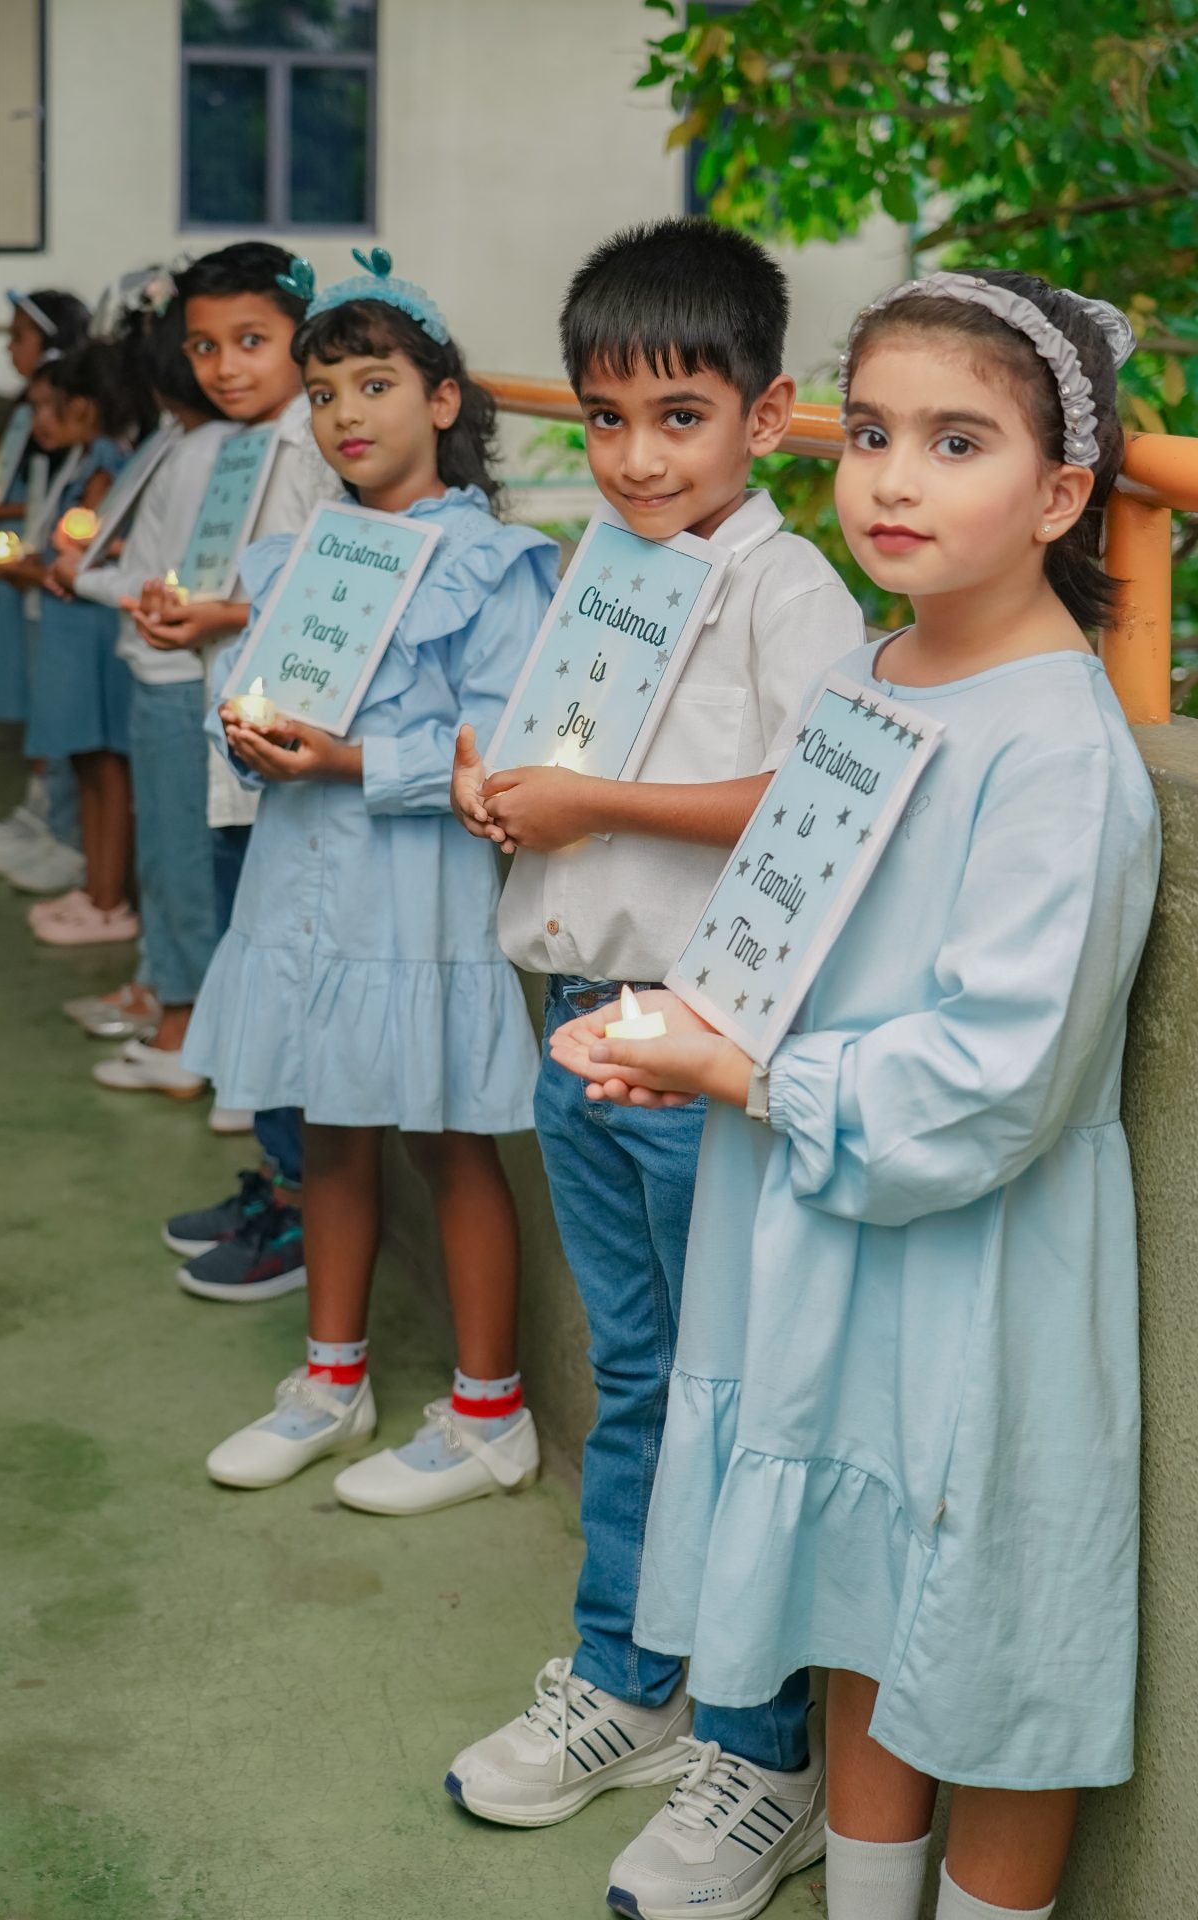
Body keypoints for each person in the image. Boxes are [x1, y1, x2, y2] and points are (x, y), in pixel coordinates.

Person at [549, 270, 1158, 1920]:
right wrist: (672, 1019)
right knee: (855, 1599)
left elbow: (995, 1080)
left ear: (1059, 495)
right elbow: (781, 927)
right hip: (821, 1233)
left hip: (973, 1276)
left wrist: (741, 1068)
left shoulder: (1061, 752)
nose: (890, 478)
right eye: (871, 432)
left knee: (988, 1644)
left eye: (955, 443)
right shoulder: (864, 678)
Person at [446, 217, 865, 1911]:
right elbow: (569, 760)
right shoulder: (602, 572)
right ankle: (629, 1680)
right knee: (636, 1380)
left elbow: (823, 805)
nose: (634, 455)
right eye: (606, 418)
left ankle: (764, 1757)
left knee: (731, 1406)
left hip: (705, 1059)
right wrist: (504, 794)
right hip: (583, 1033)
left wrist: (595, 805)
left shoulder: (790, 586)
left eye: (678, 416)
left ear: (766, 416)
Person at [183, 251, 559, 1515]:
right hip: (303, 887)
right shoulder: (298, 559)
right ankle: (329, 1380)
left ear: (443, 401)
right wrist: (246, 734)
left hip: (419, 895)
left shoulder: (498, 565)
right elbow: (258, 698)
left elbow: (493, 754)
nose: (345, 413)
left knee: (449, 1140)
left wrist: (350, 761)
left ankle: (490, 1412)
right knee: (330, 1125)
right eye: (325, 390)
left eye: (376, 383)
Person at [132, 242, 338, 1263]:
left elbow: (320, 589)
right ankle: (276, 1177)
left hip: (288, 763)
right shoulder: (245, 441)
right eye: (204, 346)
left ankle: (301, 1207)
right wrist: (190, 604)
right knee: (250, 974)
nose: (224, 366)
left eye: (251, 341)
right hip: (240, 744)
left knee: (278, 982)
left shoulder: (310, 440)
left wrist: (214, 612)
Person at [50, 296, 236, 1096]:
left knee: (180, 859)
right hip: (157, 661)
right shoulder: (185, 443)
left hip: (174, 670)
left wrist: (85, 574)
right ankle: (165, 994)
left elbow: (176, 576)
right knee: (166, 857)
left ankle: (184, 1024)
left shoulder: (209, 450)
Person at [0, 339, 154, 946]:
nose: (43, 421)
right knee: (85, 760)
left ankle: (109, 900)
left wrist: (21, 569)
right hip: (68, 632)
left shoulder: (106, 465)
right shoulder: (86, 460)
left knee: (105, 763)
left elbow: (76, 566)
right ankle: (93, 889)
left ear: (90, 403)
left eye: (59, 404)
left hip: (90, 635)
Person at [0, 287, 90, 893]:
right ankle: (42, 816)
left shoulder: (91, 447)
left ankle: (60, 831)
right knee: (40, 703)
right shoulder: (38, 418)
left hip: (57, 584)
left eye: (20, 336)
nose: (10, 347)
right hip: (36, 573)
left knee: (63, 720)